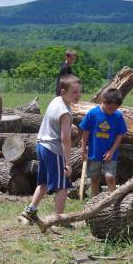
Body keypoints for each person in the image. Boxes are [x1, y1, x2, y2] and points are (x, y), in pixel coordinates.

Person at [20, 75, 82, 225]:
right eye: (74, 92)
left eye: (79, 91)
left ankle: (30, 211)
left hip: (41, 145)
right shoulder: (65, 113)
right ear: (63, 91)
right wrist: (68, 163)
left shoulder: (55, 101)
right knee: (63, 185)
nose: (78, 95)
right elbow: (65, 139)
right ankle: (59, 219)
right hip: (54, 150)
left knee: (43, 182)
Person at [79, 88, 127, 197]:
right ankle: (94, 201)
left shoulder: (118, 116)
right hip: (94, 152)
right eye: (110, 108)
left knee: (110, 177)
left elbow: (120, 135)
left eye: (115, 109)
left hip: (111, 153)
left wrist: (111, 151)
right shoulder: (93, 113)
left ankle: (113, 201)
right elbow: (85, 132)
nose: (112, 111)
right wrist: (82, 150)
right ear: (103, 101)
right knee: (94, 179)